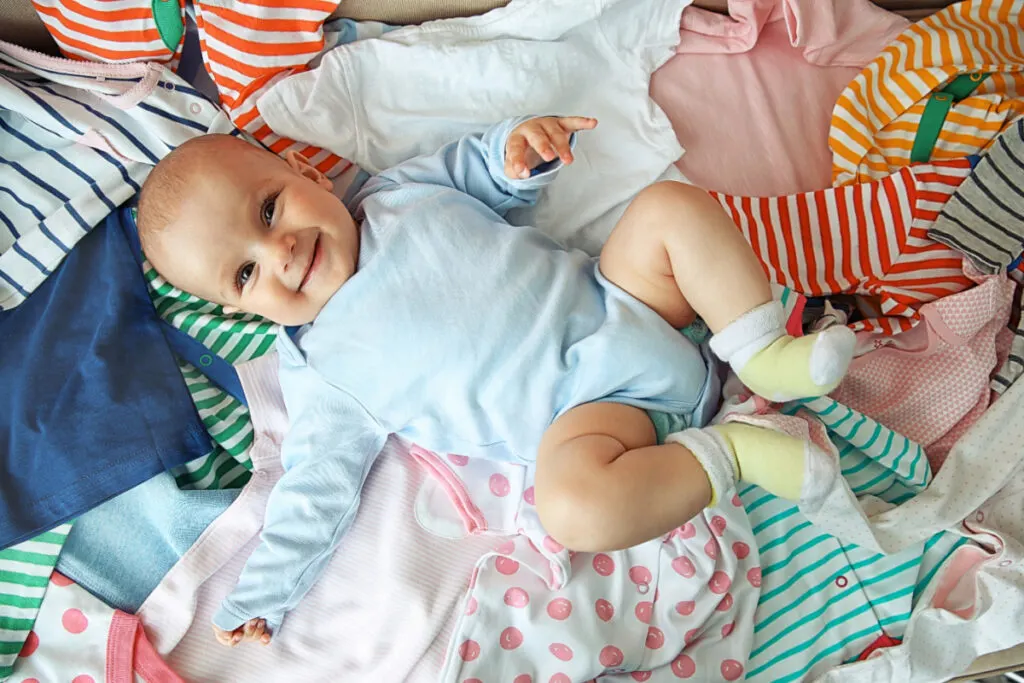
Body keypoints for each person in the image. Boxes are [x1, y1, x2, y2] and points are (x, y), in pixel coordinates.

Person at [136, 115, 855, 646]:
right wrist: (262, 593)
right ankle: (735, 452)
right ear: (240, 308)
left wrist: (518, 152)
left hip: (631, 301)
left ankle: (761, 351)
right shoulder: (321, 372)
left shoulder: (399, 195)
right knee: (573, 507)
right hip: (599, 423)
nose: (281, 250)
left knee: (668, 208)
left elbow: (482, 171)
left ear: (309, 174)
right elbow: (313, 491)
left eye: (268, 210)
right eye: (246, 271)